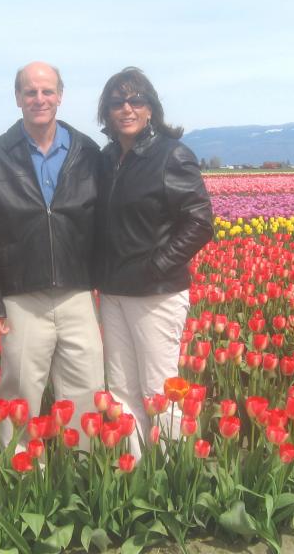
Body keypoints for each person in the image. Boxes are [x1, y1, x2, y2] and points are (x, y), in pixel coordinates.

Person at [0, 61, 104, 449]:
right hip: (22, 296)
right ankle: (22, 480)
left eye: (47, 91)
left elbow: (104, 220)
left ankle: (85, 472)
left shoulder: (87, 152)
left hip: (77, 292)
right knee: (19, 393)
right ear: (18, 98)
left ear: (60, 96)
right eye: (31, 92)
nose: (40, 99)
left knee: (86, 387)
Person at [95, 67, 213, 457]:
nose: (126, 108)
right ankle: (137, 470)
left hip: (155, 292)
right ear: (107, 112)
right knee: (122, 389)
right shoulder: (108, 158)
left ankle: (174, 472)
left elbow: (199, 221)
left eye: (136, 100)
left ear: (150, 109)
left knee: (159, 388)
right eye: (117, 102)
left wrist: (157, 266)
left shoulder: (171, 155)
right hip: (113, 291)